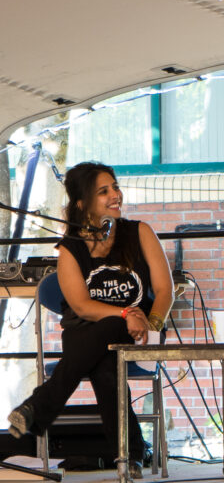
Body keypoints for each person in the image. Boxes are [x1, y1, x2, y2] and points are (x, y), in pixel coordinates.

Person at [7, 162, 174, 480]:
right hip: (87, 332)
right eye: (104, 191)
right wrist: (125, 314)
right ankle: (131, 456)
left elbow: (165, 290)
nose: (116, 194)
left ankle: (39, 407)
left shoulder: (139, 232)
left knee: (108, 346)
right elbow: (82, 307)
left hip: (139, 332)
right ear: (82, 203)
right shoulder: (71, 248)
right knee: (106, 360)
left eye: (115, 186)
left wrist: (149, 325)